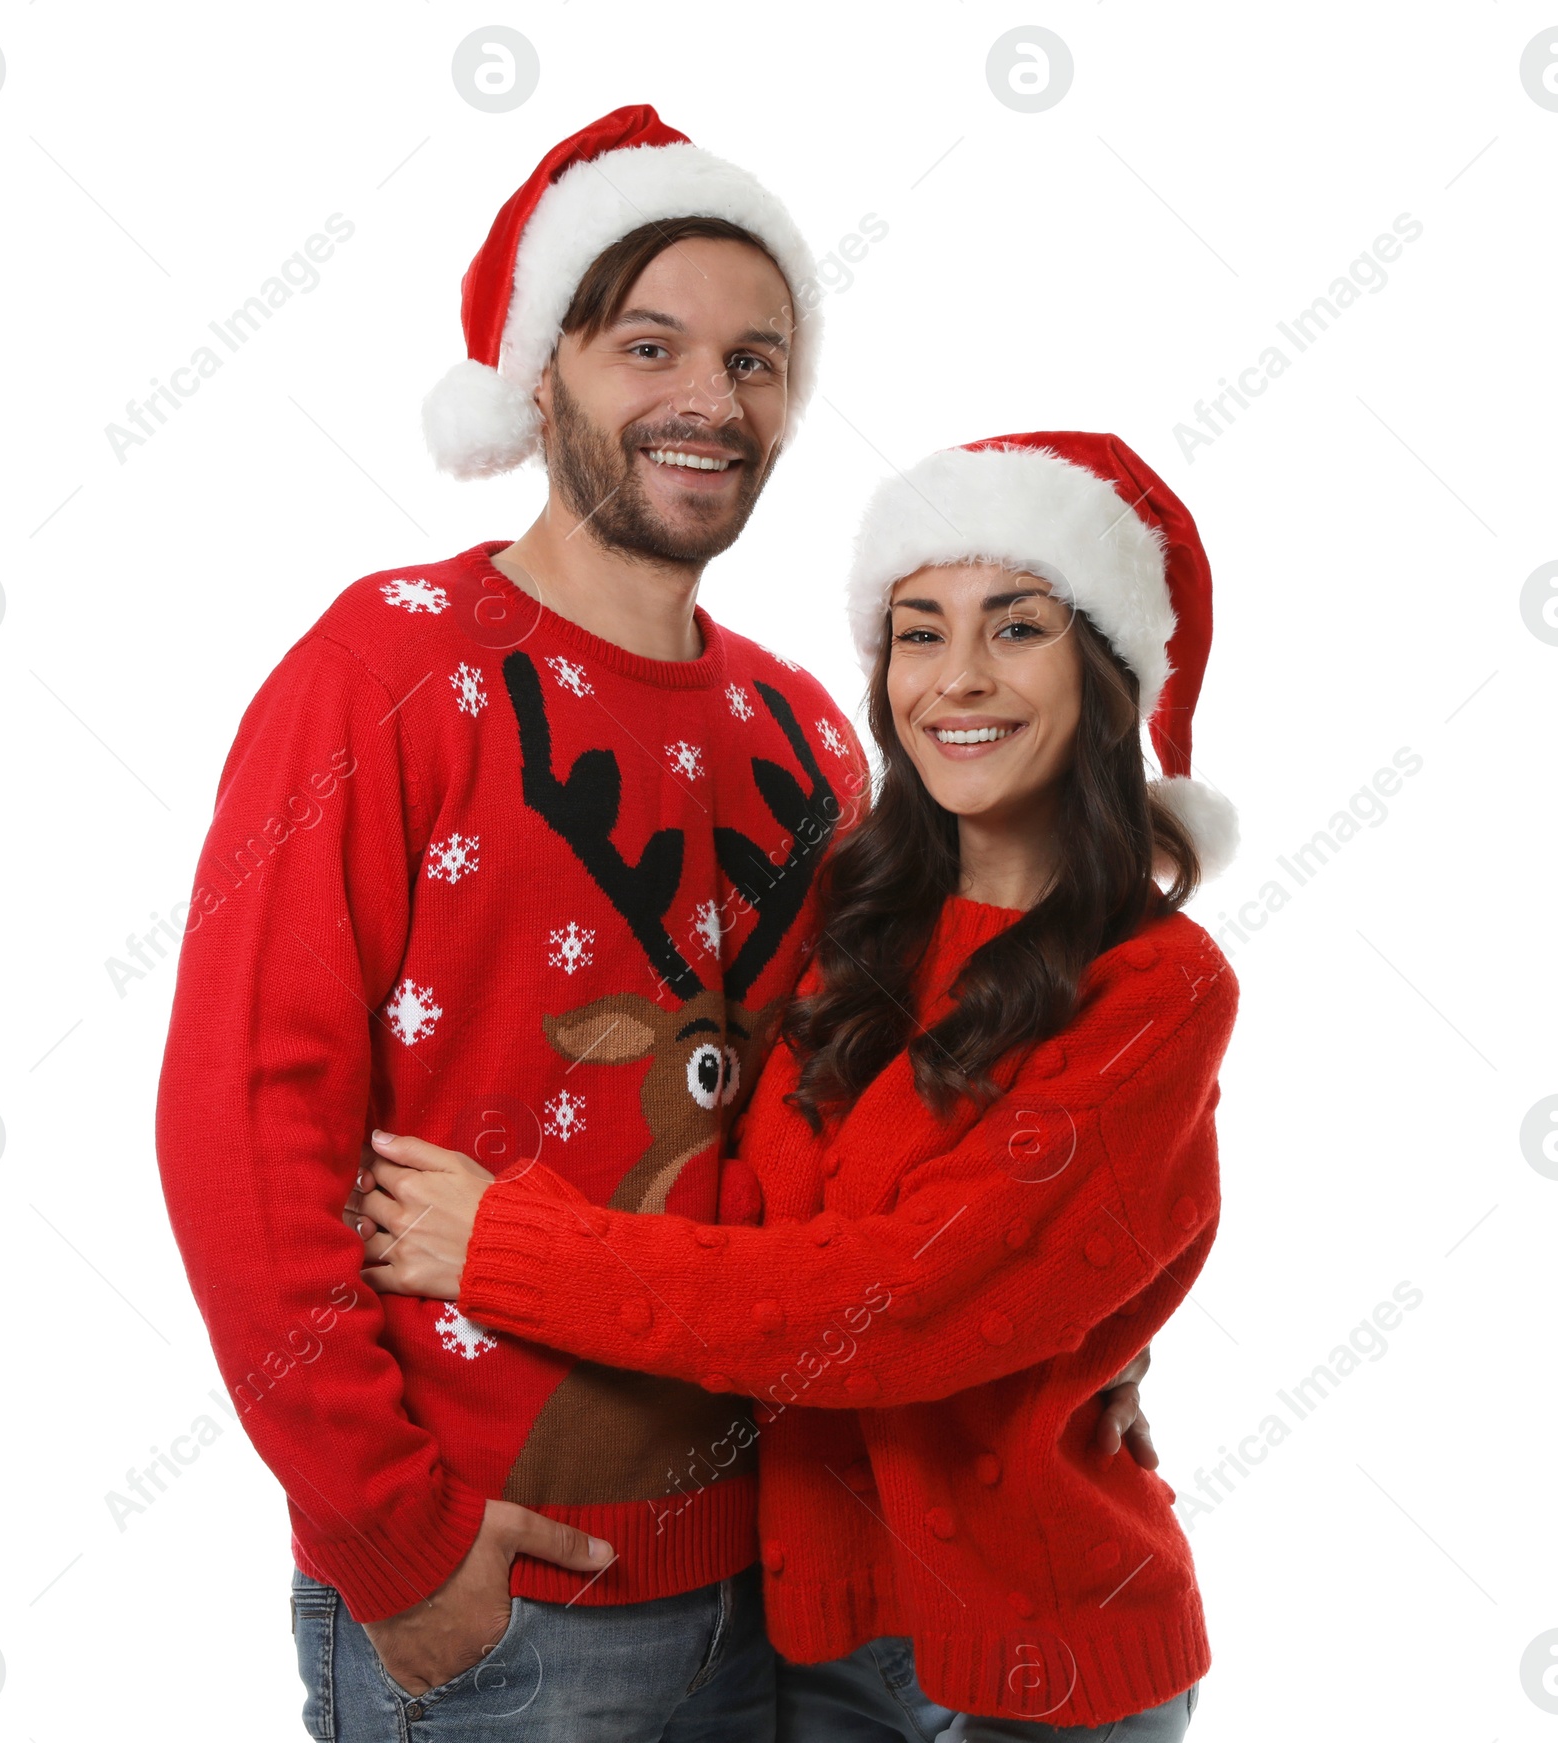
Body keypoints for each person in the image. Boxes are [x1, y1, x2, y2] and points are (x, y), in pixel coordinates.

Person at [154, 104, 1151, 1742]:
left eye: (758, 360)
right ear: (543, 377)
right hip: (507, 1594)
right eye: (649, 345)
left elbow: (897, 1106)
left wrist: (1068, 1335)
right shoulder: (390, 672)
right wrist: (397, 1542)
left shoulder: (812, 732)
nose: (711, 397)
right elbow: (240, 1132)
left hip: (794, 1581)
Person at [350, 431, 1241, 1739]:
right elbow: (756, 1221)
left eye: (1018, 628)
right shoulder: (850, 920)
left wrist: (510, 1250)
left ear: (1103, 675)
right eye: (919, 633)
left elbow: (885, 1306)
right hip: (818, 1639)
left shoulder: (1159, 990)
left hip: (1043, 1655)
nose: (958, 680)